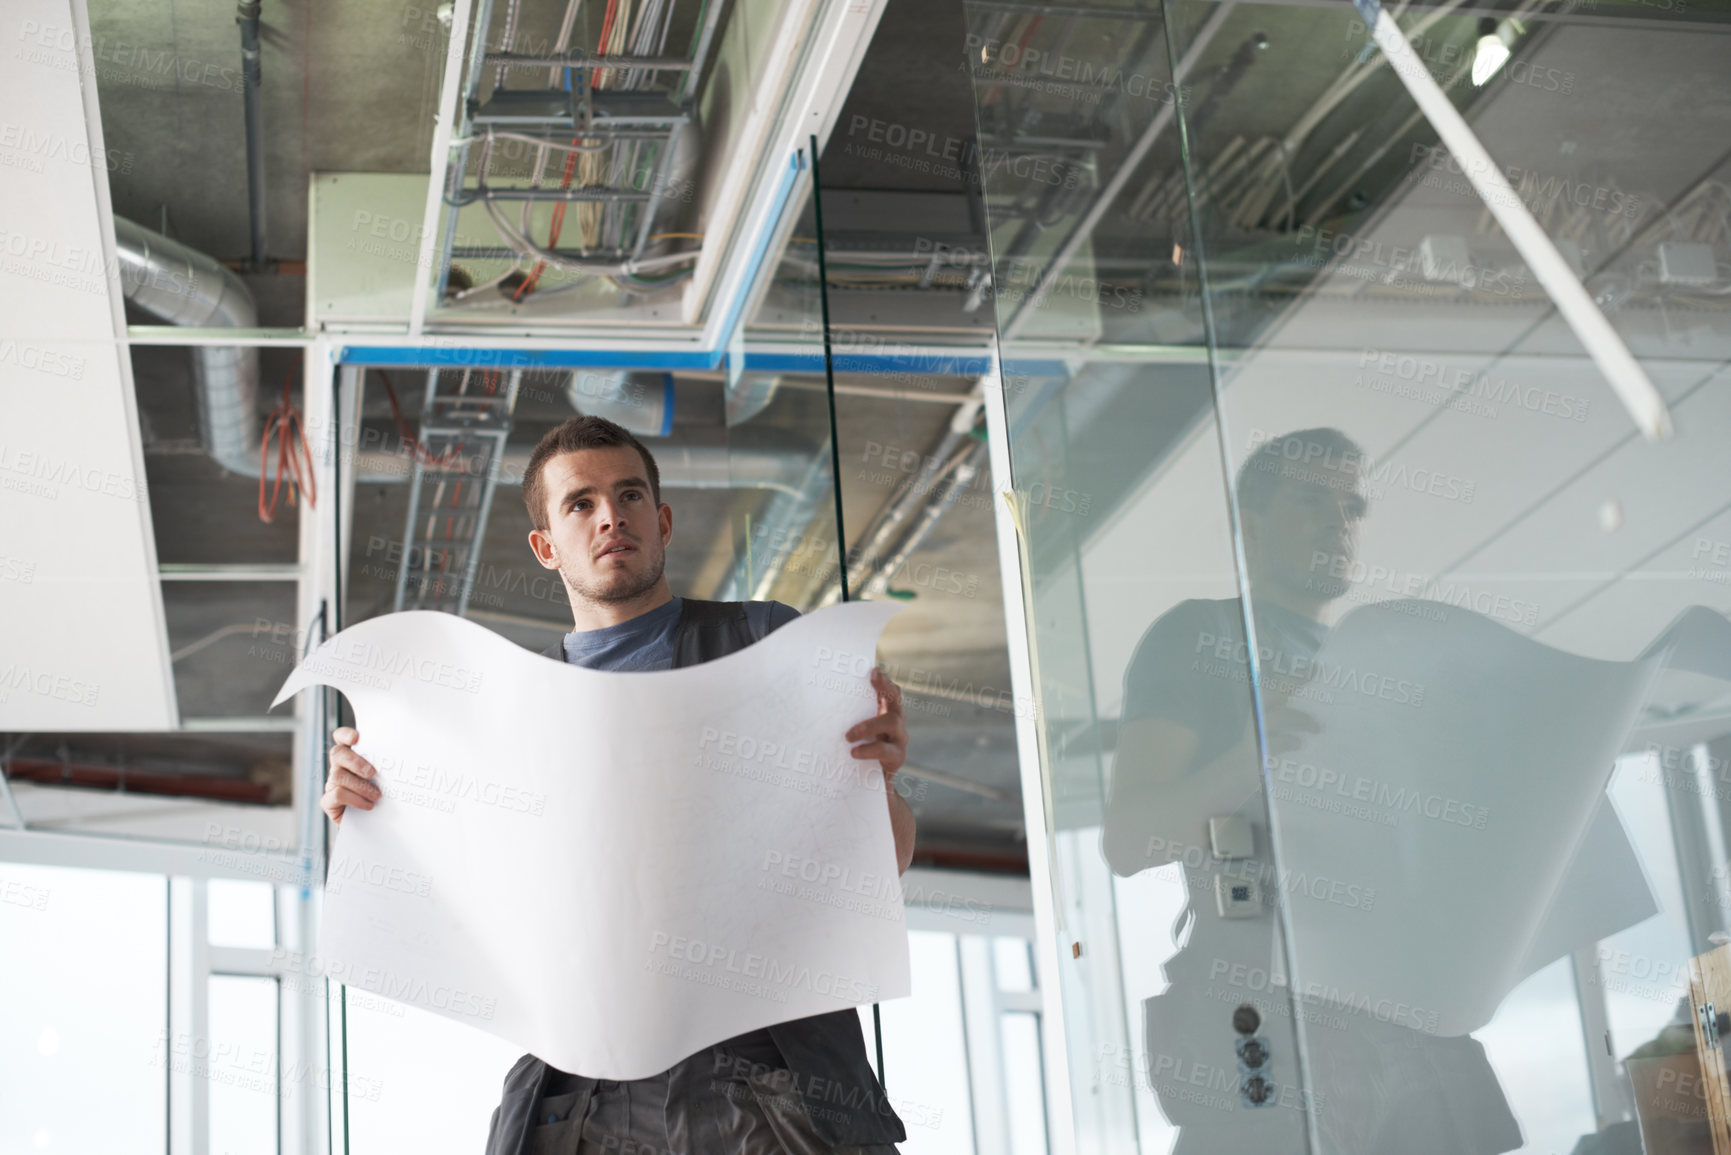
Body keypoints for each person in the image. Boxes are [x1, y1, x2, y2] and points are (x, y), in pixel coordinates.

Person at [321, 415, 915, 1155]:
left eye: (629, 494)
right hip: (578, 1099)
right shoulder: (498, 713)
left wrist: (878, 783)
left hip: (764, 1076)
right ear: (544, 546)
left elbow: (879, 863)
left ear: (660, 519)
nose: (611, 515)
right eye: (579, 503)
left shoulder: (763, 642)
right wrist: (371, 823)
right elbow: (459, 906)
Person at [1104, 427, 1518, 1154]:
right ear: (1250, 525)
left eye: (1353, 504)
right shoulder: (1200, 636)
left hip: (1410, 1012)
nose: (1340, 519)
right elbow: (1130, 840)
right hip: (1280, 1010)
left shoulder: (1372, 665)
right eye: (1310, 500)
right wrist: (1252, 754)